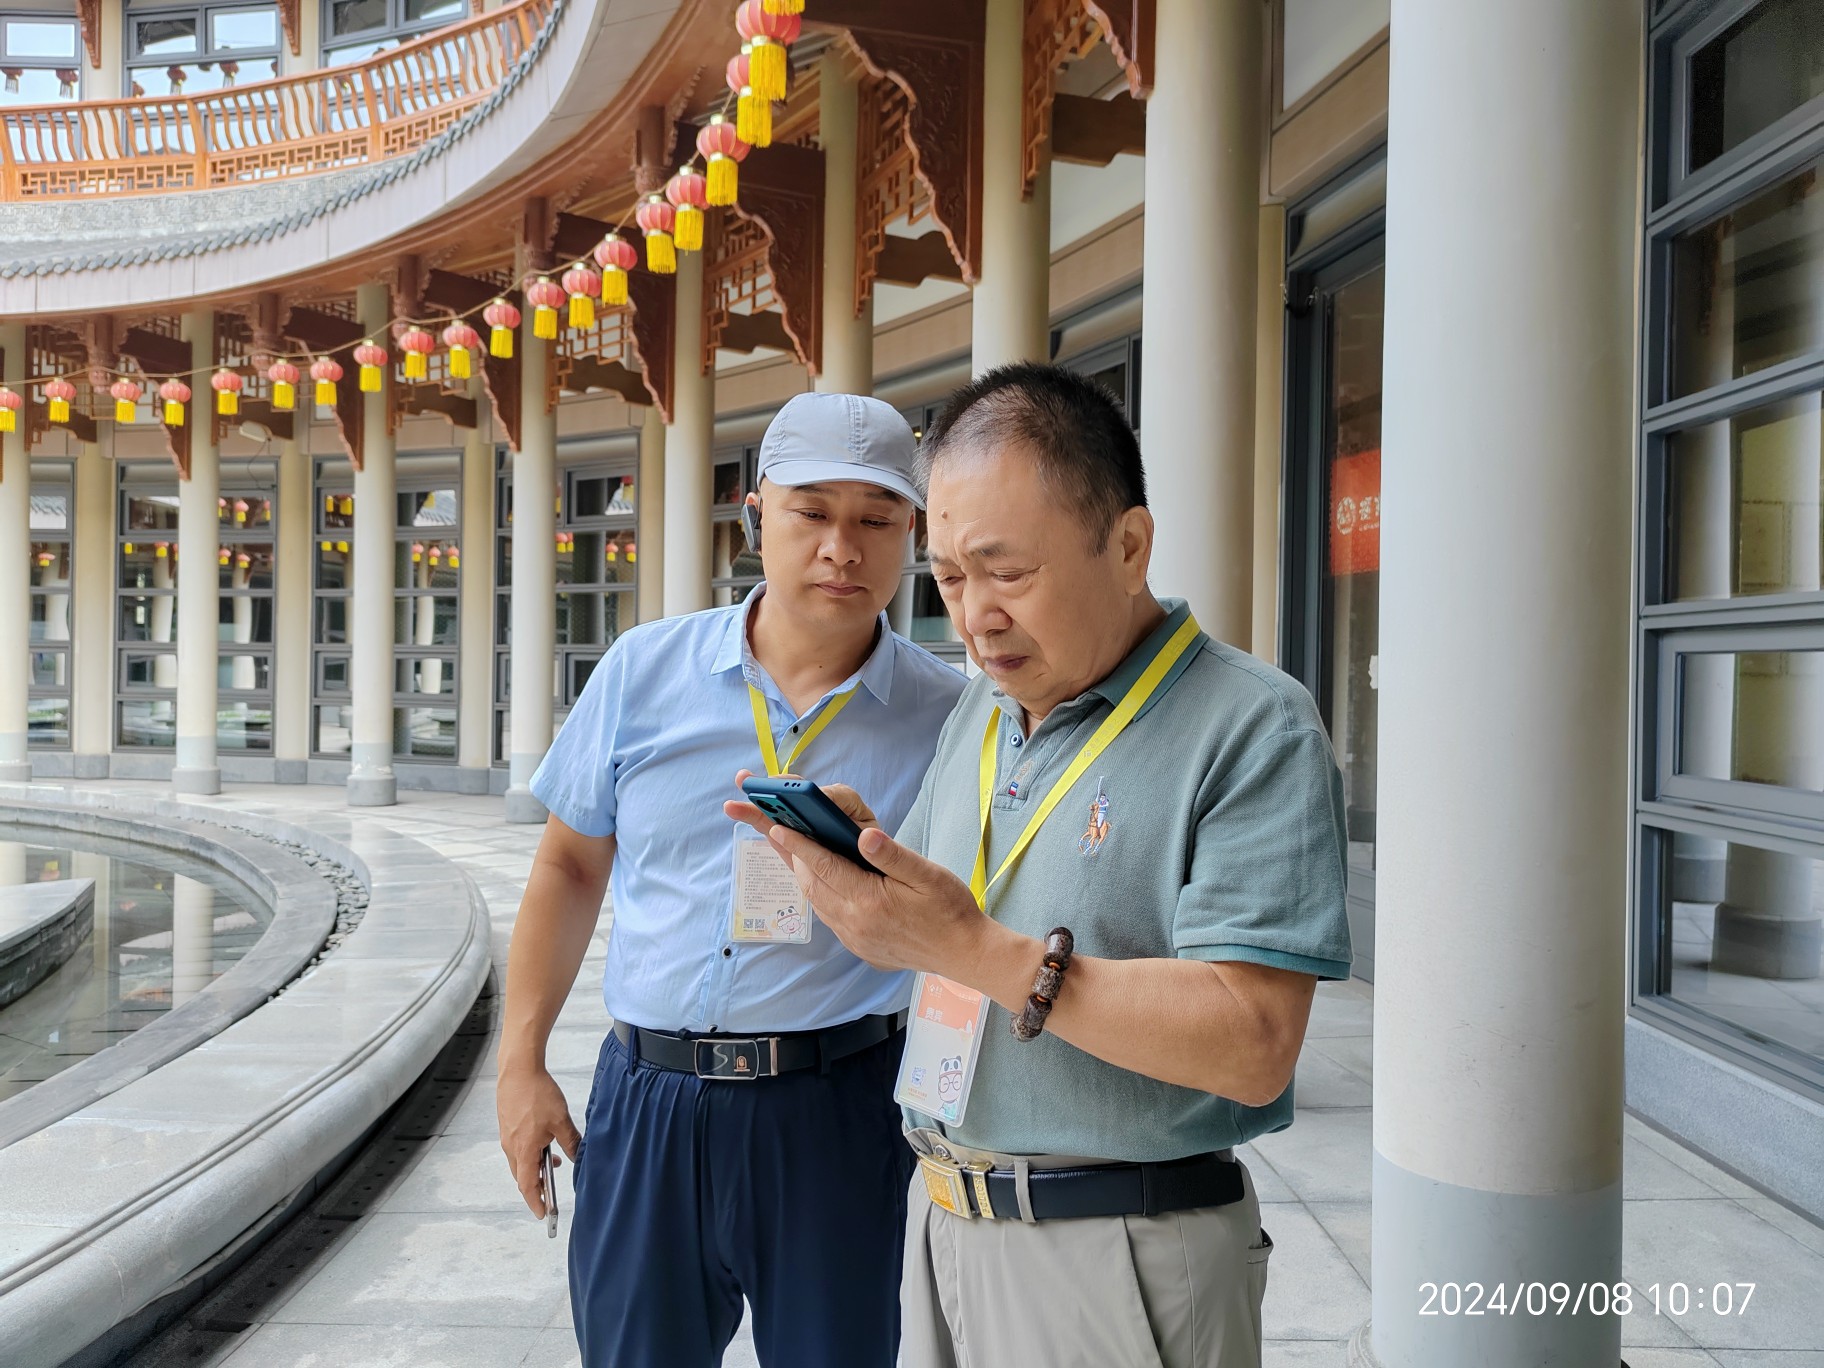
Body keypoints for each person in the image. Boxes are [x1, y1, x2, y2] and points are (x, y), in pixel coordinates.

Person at [727, 363, 1352, 1368]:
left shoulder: (1252, 726)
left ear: (1129, 546)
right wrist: (874, 877)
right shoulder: (986, 706)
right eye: (950, 579)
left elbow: (1253, 1043)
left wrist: (978, 952)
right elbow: (953, 914)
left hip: (1114, 1247)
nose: (975, 618)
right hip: (943, 1218)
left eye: (1007, 572)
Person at [497, 392, 967, 1368]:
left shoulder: (950, 718)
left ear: (912, 536)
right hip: (649, 1104)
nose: (842, 548)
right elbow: (570, 866)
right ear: (756, 518)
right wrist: (521, 1062)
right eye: (812, 513)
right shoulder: (644, 671)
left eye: (876, 520)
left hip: (836, 1109)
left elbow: (968, 927)